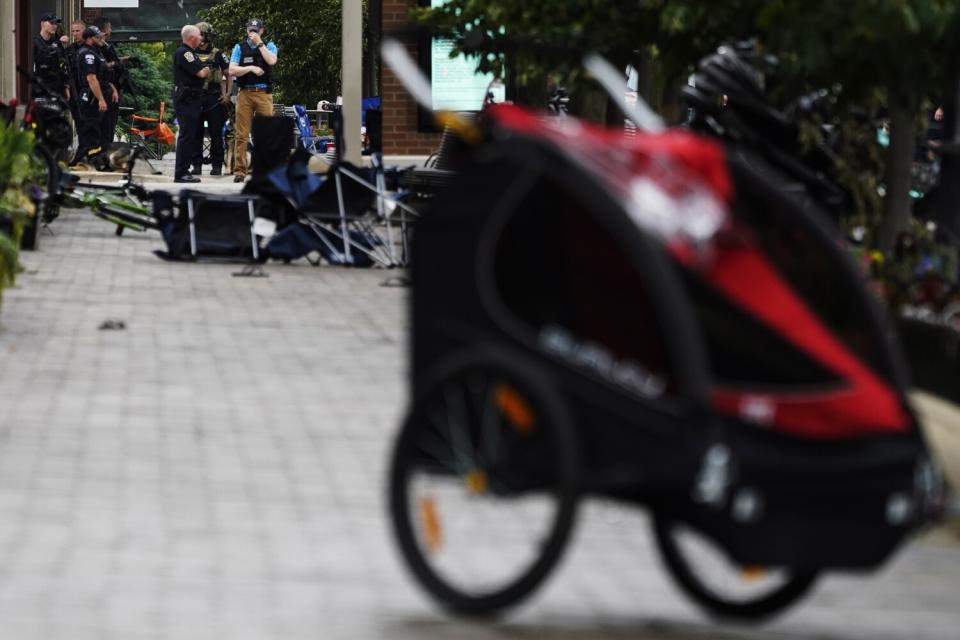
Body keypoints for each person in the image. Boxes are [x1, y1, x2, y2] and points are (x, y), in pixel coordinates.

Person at [228, 17, 278, 183]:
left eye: (256, 30)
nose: (252, 33)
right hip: (245, 94)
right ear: (246, 30)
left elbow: (272, 60)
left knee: (266, 134)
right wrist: (250, 68)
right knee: (242, 135)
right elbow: (231, 70)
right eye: (250, 30)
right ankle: (240, 171)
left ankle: (265, 170)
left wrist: (259, 44)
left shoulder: (269, 45)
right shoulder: (239, 47)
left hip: (264, 93)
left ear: (261, 31)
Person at [190, 22, 231, 177]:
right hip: (196, 98)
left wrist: (226, 94)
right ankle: (197, 166)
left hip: (214, 99)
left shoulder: (218, 54)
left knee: (216, 134)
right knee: (196, 133)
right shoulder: (190, 52)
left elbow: (229, 74)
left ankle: (217, 165)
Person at [172, 25, 211, 183]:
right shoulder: (185, 53)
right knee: (186, 136)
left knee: (189, 135)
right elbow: (201, 73)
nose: (201, 39)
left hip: (191, 99)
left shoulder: (189, 53)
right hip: (187, 99)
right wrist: (208, 67)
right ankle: (181, 172)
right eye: (199, 36)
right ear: (191, 38)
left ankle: (184, 170)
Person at [71, 26, 114, 166]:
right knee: (91, 134)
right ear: (90, 39)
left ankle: (97, 162)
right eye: (98, 37)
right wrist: (101, 99)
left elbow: (102, 74)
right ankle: (82, 163)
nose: (102, 38)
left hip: (99, 95)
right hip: (91, 98)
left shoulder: (97, 52)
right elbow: (91, 79)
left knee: (102, 132)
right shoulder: (87, 54)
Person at [93, 17, 129, 151]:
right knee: (104, 127)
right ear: (102, 31)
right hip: (105, 92)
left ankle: (106, 154)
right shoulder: (97, 49)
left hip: (112, 92)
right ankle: (100, 155)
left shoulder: (107, 47)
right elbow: (101, 69)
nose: (111, 31)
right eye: (109, 28)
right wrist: (115, 63)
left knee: (109, 126)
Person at [32, 12, 70, 100]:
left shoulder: (57, 42)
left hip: (57, 87)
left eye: (55, 23)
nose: (54, 26)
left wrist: (66, 87)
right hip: (42, 87)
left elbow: (64, 66)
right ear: (42, 24)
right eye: (51, 23)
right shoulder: (35, 43)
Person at [65, 19, 87, 125]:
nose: (75, 34)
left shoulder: (91, 47)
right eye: (73, 31)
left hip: (88, 89)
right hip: (74, 89)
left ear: (84, 31)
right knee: (78, 120)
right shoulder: (69, 50)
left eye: (77, 31)